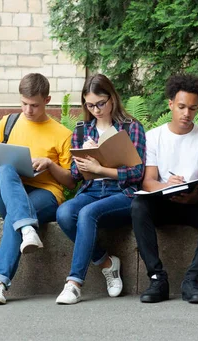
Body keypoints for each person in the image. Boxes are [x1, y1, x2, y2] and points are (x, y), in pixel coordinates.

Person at [131, 74, 198, 304]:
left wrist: (194, 195)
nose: (186, 113)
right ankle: (157, 279)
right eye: (181, 107)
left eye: (192, 108)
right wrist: (168, 186)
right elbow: (148, 181)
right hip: (163, 202)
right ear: (171, 104)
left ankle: (193, 280)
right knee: (138, 205)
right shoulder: (154, 137)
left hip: (193, 203)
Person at [55, 74, 146, 305]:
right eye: (90, 105)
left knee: (87, 213)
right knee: (65, 213)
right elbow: (75, 176)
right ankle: (106, 263)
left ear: (112, 98)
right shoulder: (81, 130)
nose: (96, 109)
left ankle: (74, 283)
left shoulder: (131, 127)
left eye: (100, 103)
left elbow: (137, 173)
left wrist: (101, 167)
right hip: (91, 190)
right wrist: (82, 159)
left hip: (121, 193)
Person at [0, 73, 75, 305]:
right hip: (10, 191)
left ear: (47, 100)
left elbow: (71, 182)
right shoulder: (8, 123)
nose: (28, 110)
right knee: (6, 169)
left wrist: (49, 164)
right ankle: (27, 228)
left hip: (46, 194)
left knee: (14, 219)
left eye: (34, 105)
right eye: (24, 104)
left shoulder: (62, 134)